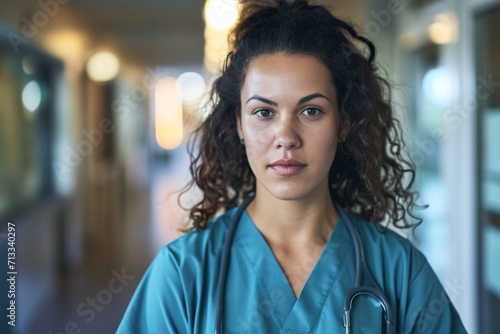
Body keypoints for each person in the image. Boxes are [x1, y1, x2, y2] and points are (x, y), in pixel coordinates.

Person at [117, 0, 467, 333]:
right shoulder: (183, 273)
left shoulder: (400, 272)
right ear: (239, 124)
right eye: (264, 112)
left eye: (311, 111)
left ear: (344, 123)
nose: (286, 137)